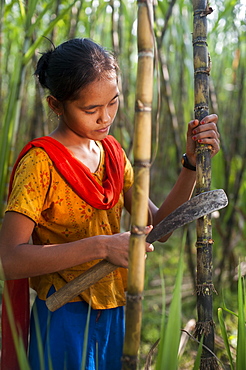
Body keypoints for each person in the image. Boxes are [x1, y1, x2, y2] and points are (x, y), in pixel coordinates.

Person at [0, 38, 220, 370]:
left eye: (113, 103)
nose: (105, 118)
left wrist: (190, 163)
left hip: (117, 309)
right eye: (91, 109)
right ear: (56, 105)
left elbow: (159, 228)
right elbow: (11, 259)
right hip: (65, 314)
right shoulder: (41, 163)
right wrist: (102, 246)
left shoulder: (112, 153)